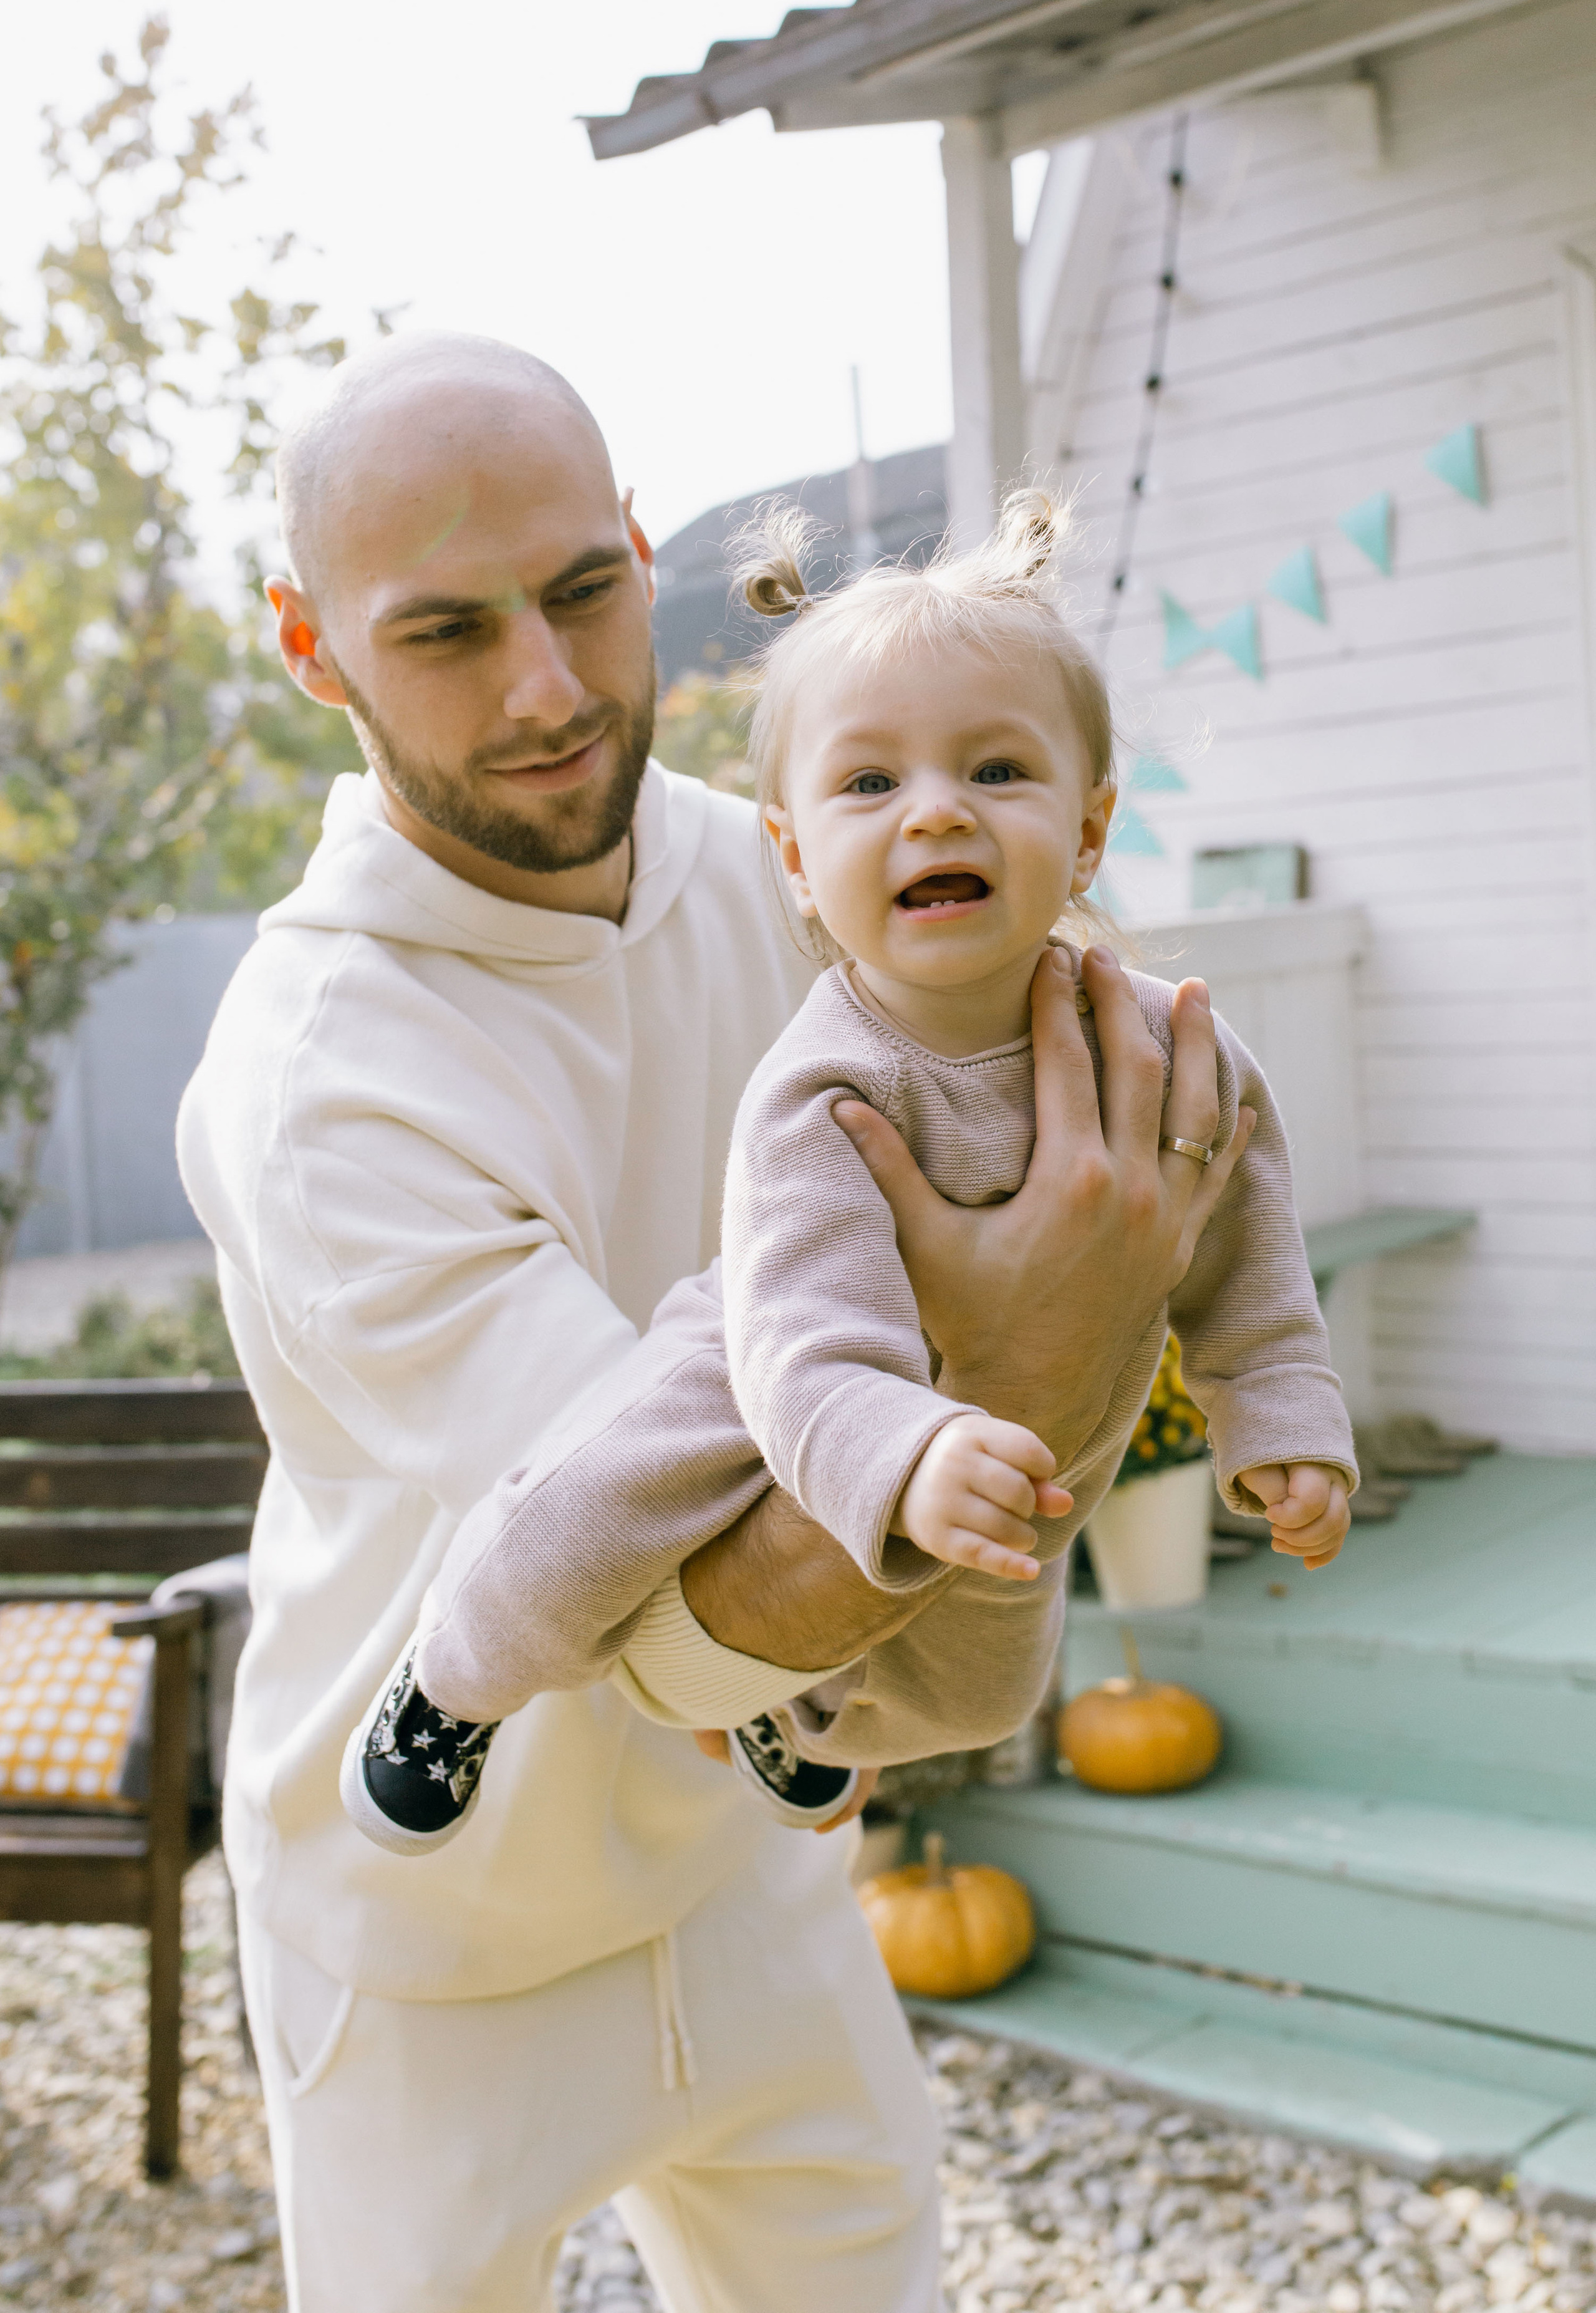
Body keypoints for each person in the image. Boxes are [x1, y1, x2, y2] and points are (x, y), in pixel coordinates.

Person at [178, 330, 1249, 2313]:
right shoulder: (318, 1086)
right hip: (437, 1930)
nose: (552, 689)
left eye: (587, 591)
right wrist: (1043, 1355)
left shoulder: (804, 868)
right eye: (446, 633)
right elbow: (671, 1623)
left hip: (759, 1868)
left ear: (639, 549)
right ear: (311, 648)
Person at [350, 493, 1355, 1855]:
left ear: (1089, 827)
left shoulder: (1165, 1048)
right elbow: (809, 1352)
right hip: (767, 1355)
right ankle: (448, 1686)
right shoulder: (822, 1088)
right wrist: (913, 1438)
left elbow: (1248, 1239)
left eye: (996, 771)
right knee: (577, 1520)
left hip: (1035, 1414)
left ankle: (794, 1709)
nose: (935, 813)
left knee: (982, 1692)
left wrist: (1280, 1414)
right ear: (796, 860)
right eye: (870, 783)